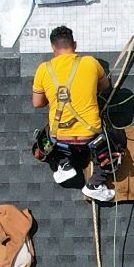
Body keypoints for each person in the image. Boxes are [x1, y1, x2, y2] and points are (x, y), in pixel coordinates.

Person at [28, 26, 116, 202]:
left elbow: (37, 103)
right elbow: (105, 87)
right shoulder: (91, 63)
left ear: (53, 48)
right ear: (74, 44)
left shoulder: (44, 69)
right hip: (91, 136)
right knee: (114, 147)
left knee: (43, 137)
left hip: (58, 138)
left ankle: (63, 163)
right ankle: (96, 184)